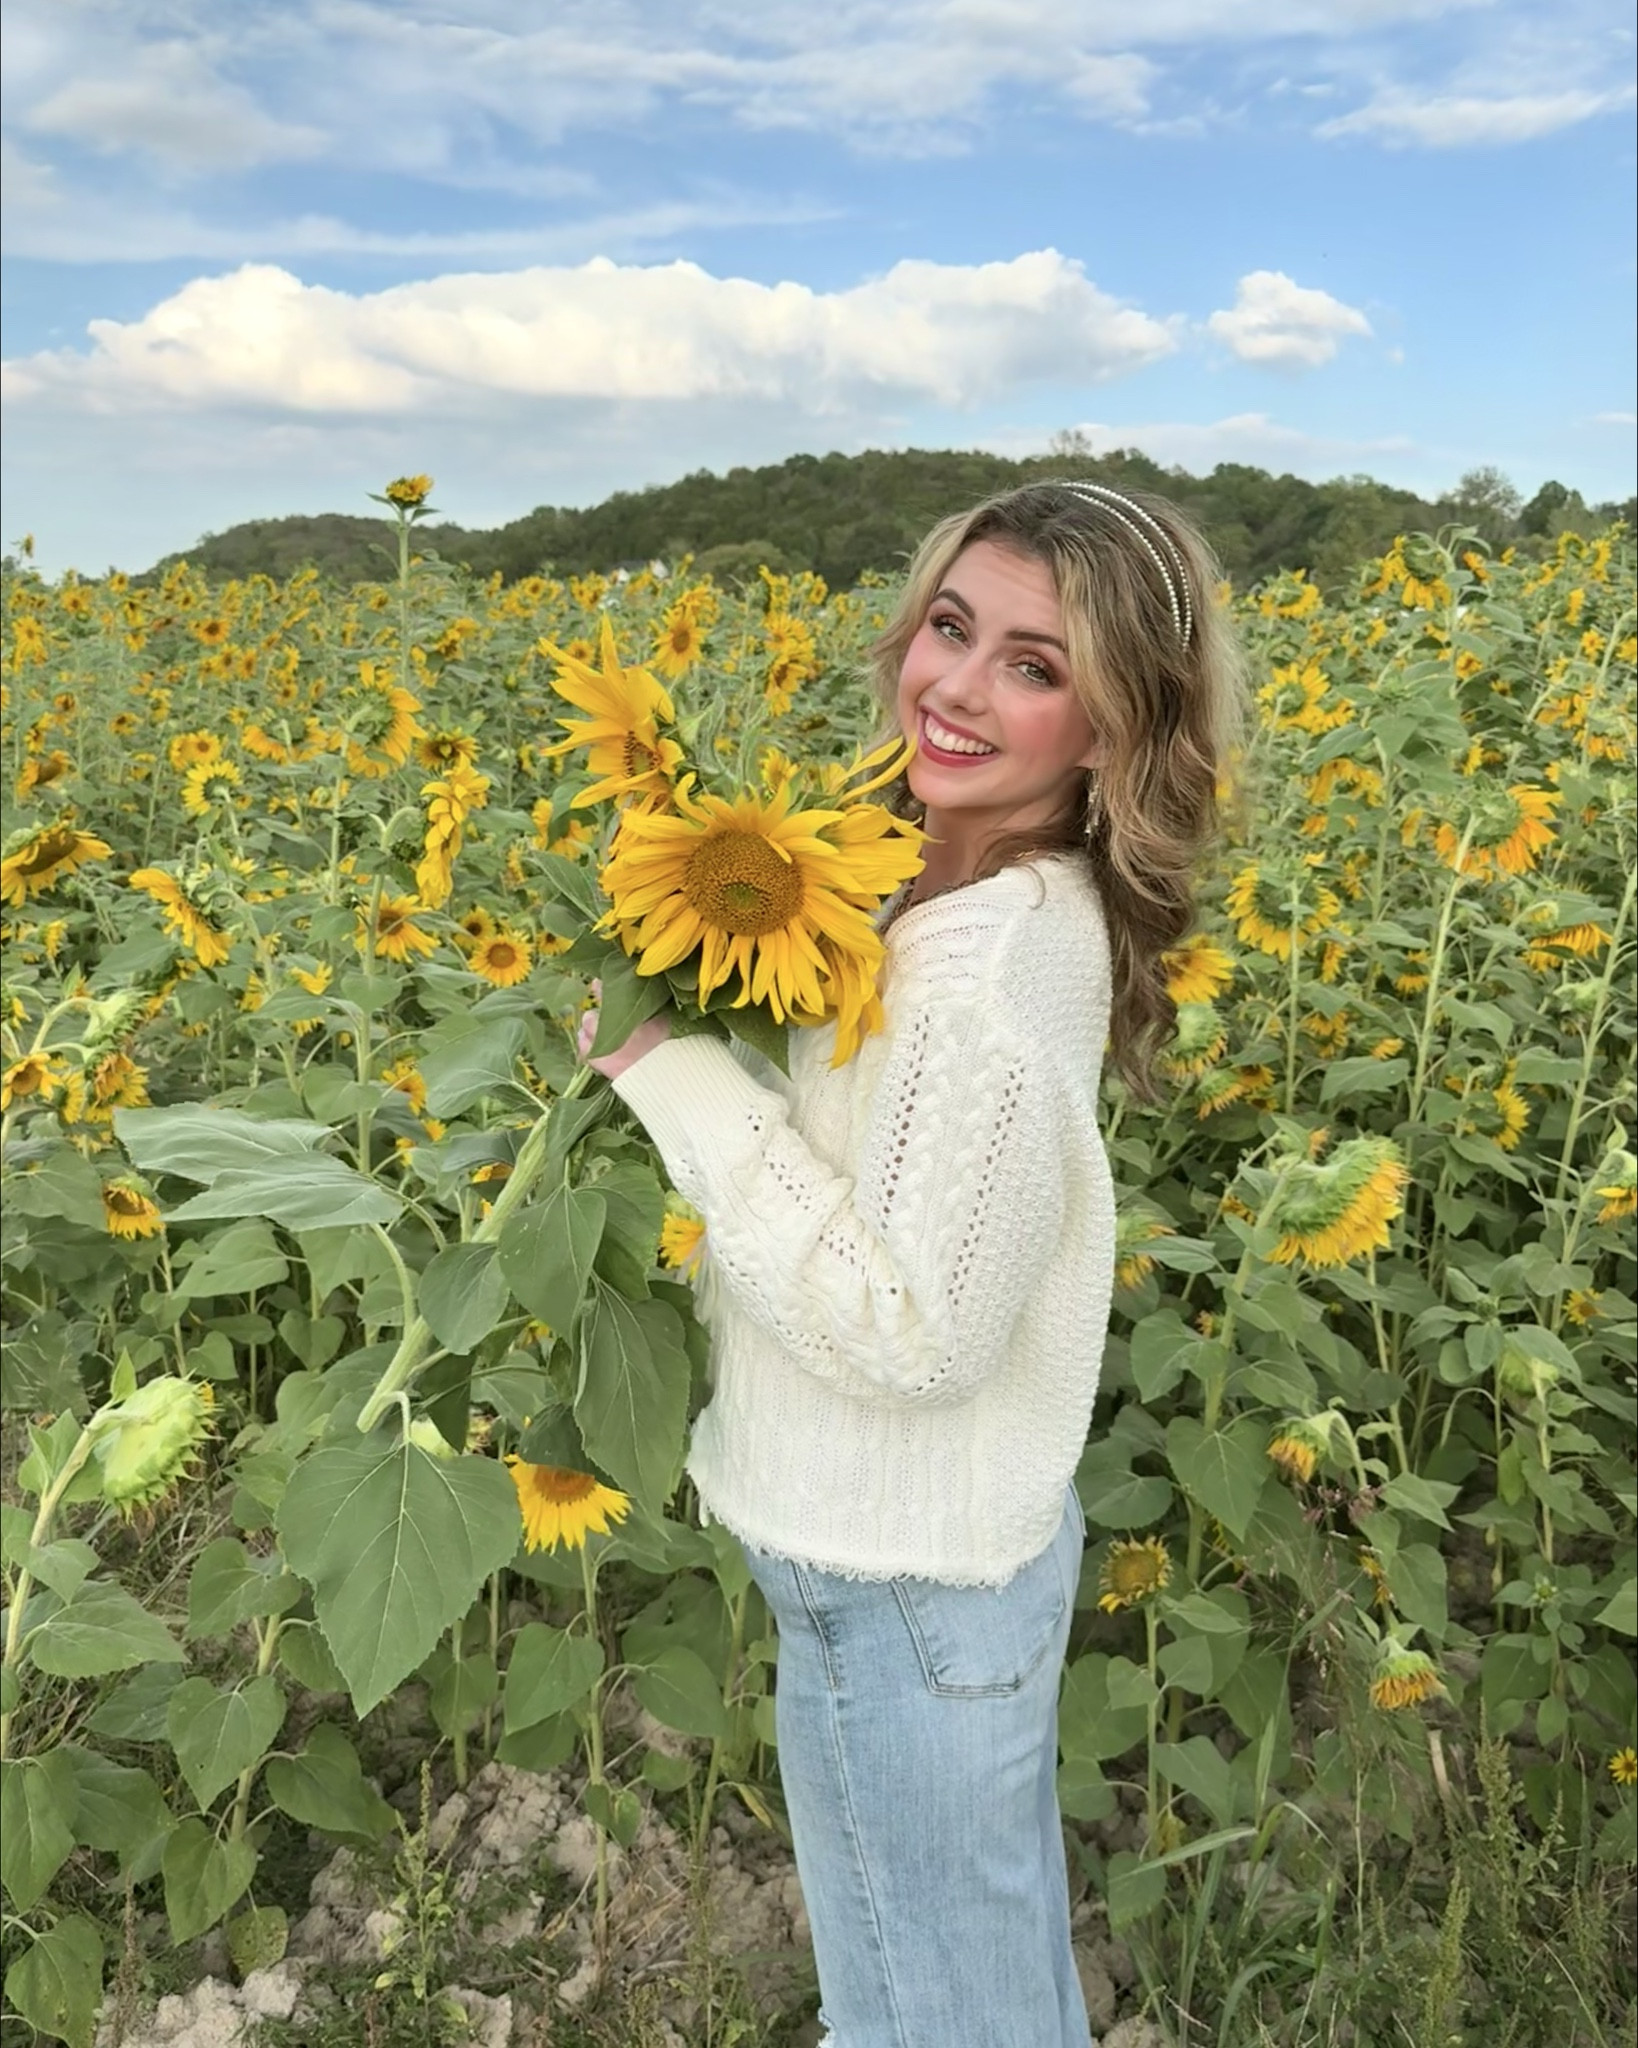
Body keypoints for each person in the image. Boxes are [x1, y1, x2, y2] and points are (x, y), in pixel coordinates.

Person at [577, 480, 1246, 2047]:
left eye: (1035, 664)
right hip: (882, 1565)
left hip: (905, 1578)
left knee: (940, 2014)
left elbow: (916, 1330)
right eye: (951, 627)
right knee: (915, 1986)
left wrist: (668, 1074)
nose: (955, 685)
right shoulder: (908, 876)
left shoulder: (991, 963)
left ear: (1111, 727)